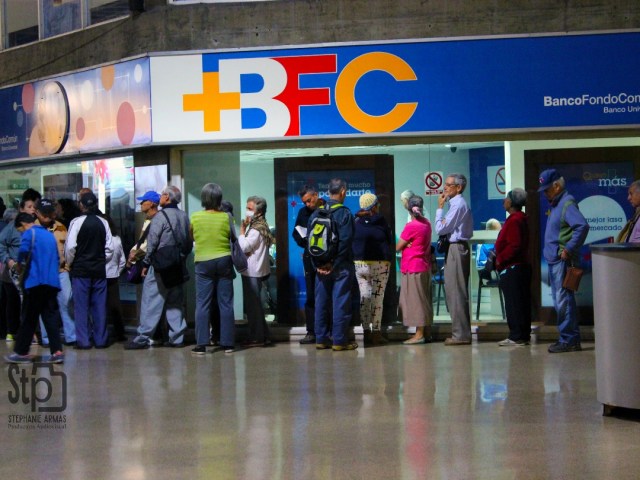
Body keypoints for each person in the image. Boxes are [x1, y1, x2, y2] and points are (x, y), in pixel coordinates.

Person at [125, 186, 192, 349]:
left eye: (162, 195)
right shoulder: (184, 216)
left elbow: (152, 243)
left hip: (160, 266)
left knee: (151, 301)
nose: (160, 197)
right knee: (175, 302)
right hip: (177, 265)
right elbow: (189, 241)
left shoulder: (159, 217)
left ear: (167, 197)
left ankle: (142, 337)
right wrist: (181, 258)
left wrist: (146, 264)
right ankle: (177, 338)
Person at [538, 169, 589, 353]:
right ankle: (568, 338)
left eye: (547, 190)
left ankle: (569, 340)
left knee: (564, 301)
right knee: (562, 300)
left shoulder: (567, 203)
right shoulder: (558, 204)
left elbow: (582, 226)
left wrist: (568, 249)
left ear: (557, 186)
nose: (545, 194)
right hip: (555, 260)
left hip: (562, 261)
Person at [4, 213, 64, 364]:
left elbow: (23, 252)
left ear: (23, 224)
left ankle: (21, 352)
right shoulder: (48, 234)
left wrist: (18, 265)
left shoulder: (29, 233)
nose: (20, 232)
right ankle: (57, 351)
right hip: (52, 282)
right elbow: (58, 256)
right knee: (50, 317)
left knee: (29, 318)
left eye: (20, 230)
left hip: (36, 282)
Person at [308, 178, 357, 351]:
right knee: (340, 302)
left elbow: (310, 243)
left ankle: (320, 339)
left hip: (320, 267)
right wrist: (333, 263)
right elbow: (346, 242)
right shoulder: (344, 213)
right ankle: (339, 341)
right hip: (340, 267)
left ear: (328, 192)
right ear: (343, 191)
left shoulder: (316, 213)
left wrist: (319, 264)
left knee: (321, 302)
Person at [188, 183, 236, 354]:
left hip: (203, 262)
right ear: (219, 199)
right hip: (223, 260)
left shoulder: (195, 217)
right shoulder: (226, 217)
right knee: (226, 303)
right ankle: (228, 343)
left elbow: (191, 236)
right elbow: (232, 237)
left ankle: (201, 344)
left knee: (202, 303)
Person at [65, 191, 114, 349]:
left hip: (81, 270)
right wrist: (100, 260)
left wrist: (70, 263)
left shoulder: (76, 222)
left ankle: (83, 341)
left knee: (81, 307)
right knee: (99, 306)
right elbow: (110, 248)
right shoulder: (103, 222)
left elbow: (71, 247)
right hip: (99, 270)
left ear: (81, 205)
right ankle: (101, 340)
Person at [435, 173, 474, 346]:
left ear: (458, 187)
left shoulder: (458, 205)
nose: (445, 188)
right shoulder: (456, 204)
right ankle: (460, 332)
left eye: (449, 185)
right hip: (455, 248)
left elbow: (441, 228)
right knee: (453, 291)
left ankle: (461, 334)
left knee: (456, 292)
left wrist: (439, 209)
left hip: (456, 248)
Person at [353, 192, 393, 346]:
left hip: (360, 264)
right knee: (377, 299)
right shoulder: (382, 222)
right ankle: (376, 333)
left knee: (364, 298)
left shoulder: (355, 221)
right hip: (380, 264)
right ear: (375, 206)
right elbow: (389, 240)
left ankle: (365, 332)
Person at [35, 199, 76, 347]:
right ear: (37, 212)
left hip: (61, 272)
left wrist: (67, 267)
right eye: (44, 213)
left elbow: (68, 249)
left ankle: (71, 336)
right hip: (42, 274)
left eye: (50, 212)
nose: (48, 216)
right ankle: (46, 339)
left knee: (67, 302)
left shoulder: (61, 227)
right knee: (45, 307)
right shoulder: (33, 229)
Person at [494, 188, 532, 346]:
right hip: (518, 267)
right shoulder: (519, 219)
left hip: (513, 268)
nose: (504, 201)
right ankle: (522, 334)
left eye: (506, 198)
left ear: (512, 202)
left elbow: (514, 245)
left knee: (514, 303)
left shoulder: (515, 220)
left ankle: (517, 335)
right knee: (520, 302)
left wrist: (499, 260)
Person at [397, 195, 433, 344]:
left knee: (416, 301)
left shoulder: (411, 226)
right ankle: (426, 332)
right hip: (424, 266)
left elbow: (398, 247)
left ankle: (419, 335)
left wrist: (406, 245)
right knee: (424, 299)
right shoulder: (426, 224)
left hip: (413, 267)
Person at [291, 185, 325, 344]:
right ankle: (311, 332)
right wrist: (306, 242)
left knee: (327, 294)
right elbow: (296, 233)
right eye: (304, 202)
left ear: (316, 195)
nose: (307, 204)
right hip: (309, 257)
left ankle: (328, 331)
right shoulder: (303, 212)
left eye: (309, 200)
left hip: (326, 258)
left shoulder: (327, 208)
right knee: (311, 295)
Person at [239, 195, 274, 347]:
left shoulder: (255, 229)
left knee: (253, 307)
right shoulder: (262, 225)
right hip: (257, 270)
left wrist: (242, 230)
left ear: (258, 212)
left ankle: (257, 337)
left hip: (252, 271)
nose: (247, 211)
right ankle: (264, 335)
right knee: (256, 306)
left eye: (250, 209)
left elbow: (244, 247)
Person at [105, 216, 127, 342]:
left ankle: (100, 333)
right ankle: (120, 332)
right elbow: (122, 261)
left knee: (99, 306)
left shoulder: (99, 239)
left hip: (99, 276)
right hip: (113, 276)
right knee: (115, 307)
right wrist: (117, 271)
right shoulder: (117, 239)